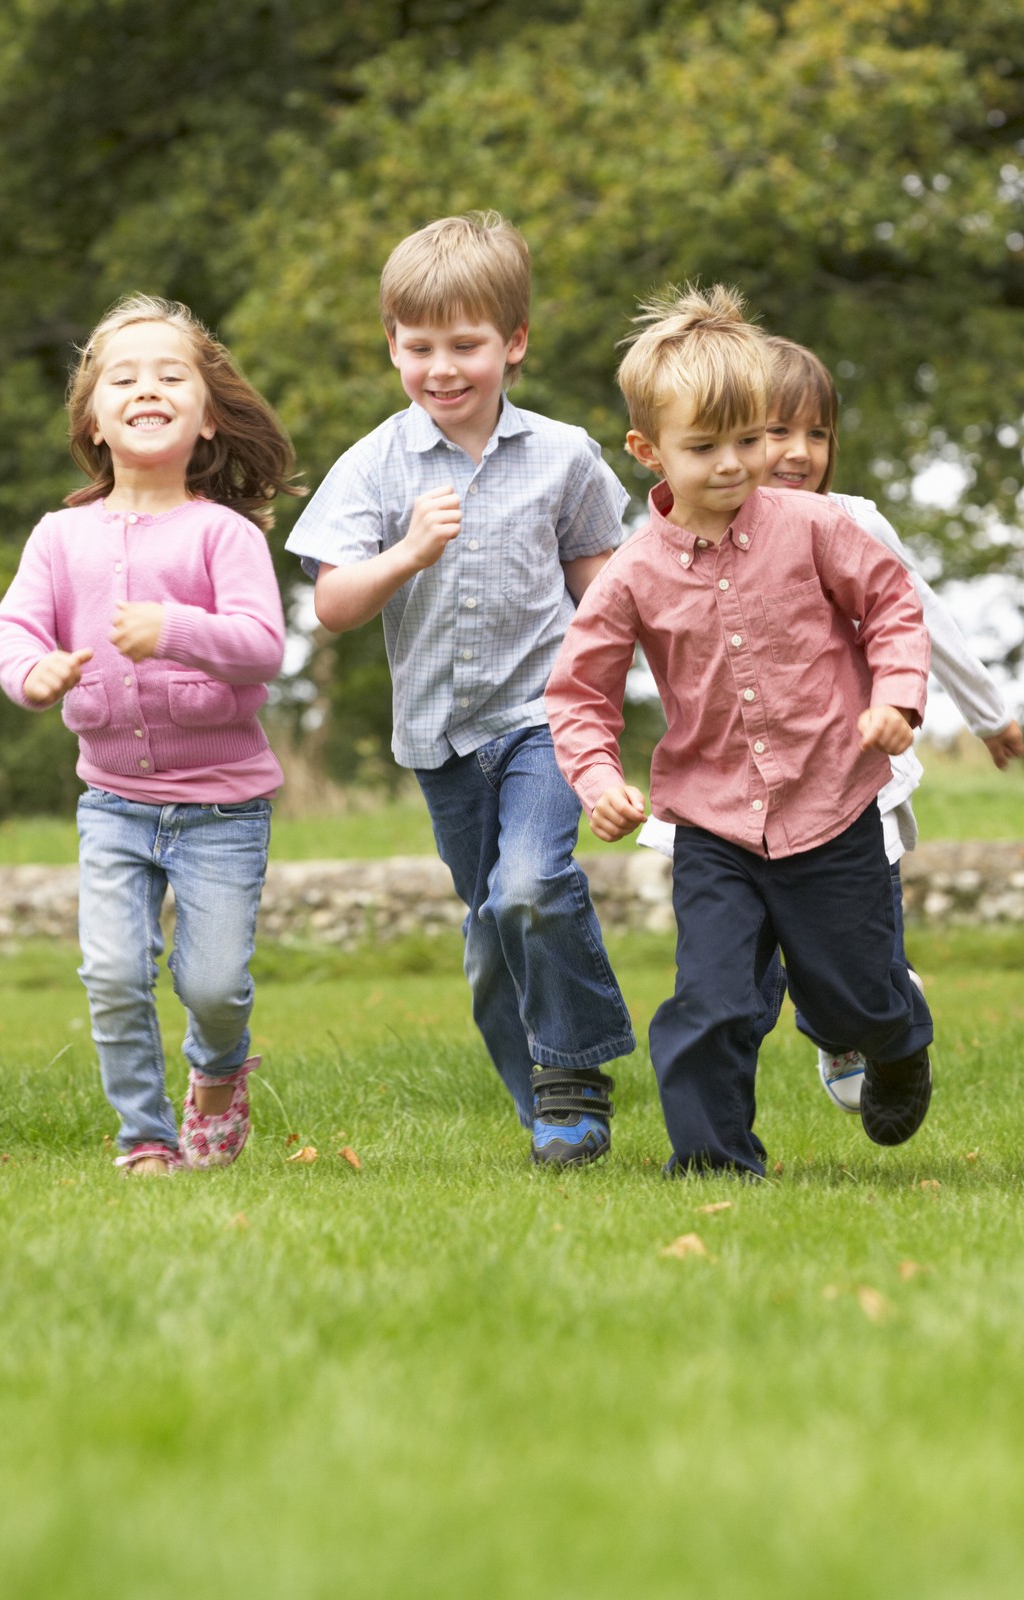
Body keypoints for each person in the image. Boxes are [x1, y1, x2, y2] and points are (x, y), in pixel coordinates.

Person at [547, 286, 934, 1178]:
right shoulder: (633, 573)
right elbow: (579, 692)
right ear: (648, 451)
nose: (736, 463)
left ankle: (897, 1037)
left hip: (833, 803)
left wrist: (897, 698)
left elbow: (890, 604)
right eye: (706, 446)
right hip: (715, 825)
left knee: (850, 999)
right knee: (713, 1000)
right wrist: (597, 779)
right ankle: (715, 1162)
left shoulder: (813, 526)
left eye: (751, 440)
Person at [287, 212, 637, 1167]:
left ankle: (575, 1074)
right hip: (441, 743)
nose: (443, 367)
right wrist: (406, 551)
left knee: (531, 887)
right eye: (419, 346)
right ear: (393, 345)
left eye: (467, 345)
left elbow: (604, 598)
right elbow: (334, 605)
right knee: (489, 934)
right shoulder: (376, 465)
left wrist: (627, 715)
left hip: (544, 720)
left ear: (513, 344)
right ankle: (548, 1115)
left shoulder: (564, 456)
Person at [639, 333, 1024, 1113]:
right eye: (776, 431)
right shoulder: (684, 539)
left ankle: (861, 1017)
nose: (799, 451)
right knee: (736, 963)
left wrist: (988, 712)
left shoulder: (850, 520)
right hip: (736, 791)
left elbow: (922, 617)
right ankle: (753, 1080)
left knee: (851, 929)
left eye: (817, 434)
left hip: (855, 768)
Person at [0, 295, 297, 1176]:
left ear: (205, 420)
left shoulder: (224, 534)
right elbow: (12, 631)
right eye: (123, 377)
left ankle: (218, 1073)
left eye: (170, 376)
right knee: (115, 975)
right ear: (93, 418)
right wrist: (32, 672)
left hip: (223, 809)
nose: (147, 388)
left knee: (212, 986)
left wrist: (174, 629)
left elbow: (263, 647)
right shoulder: (59, 538)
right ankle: (147, 1138)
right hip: (114, 803)